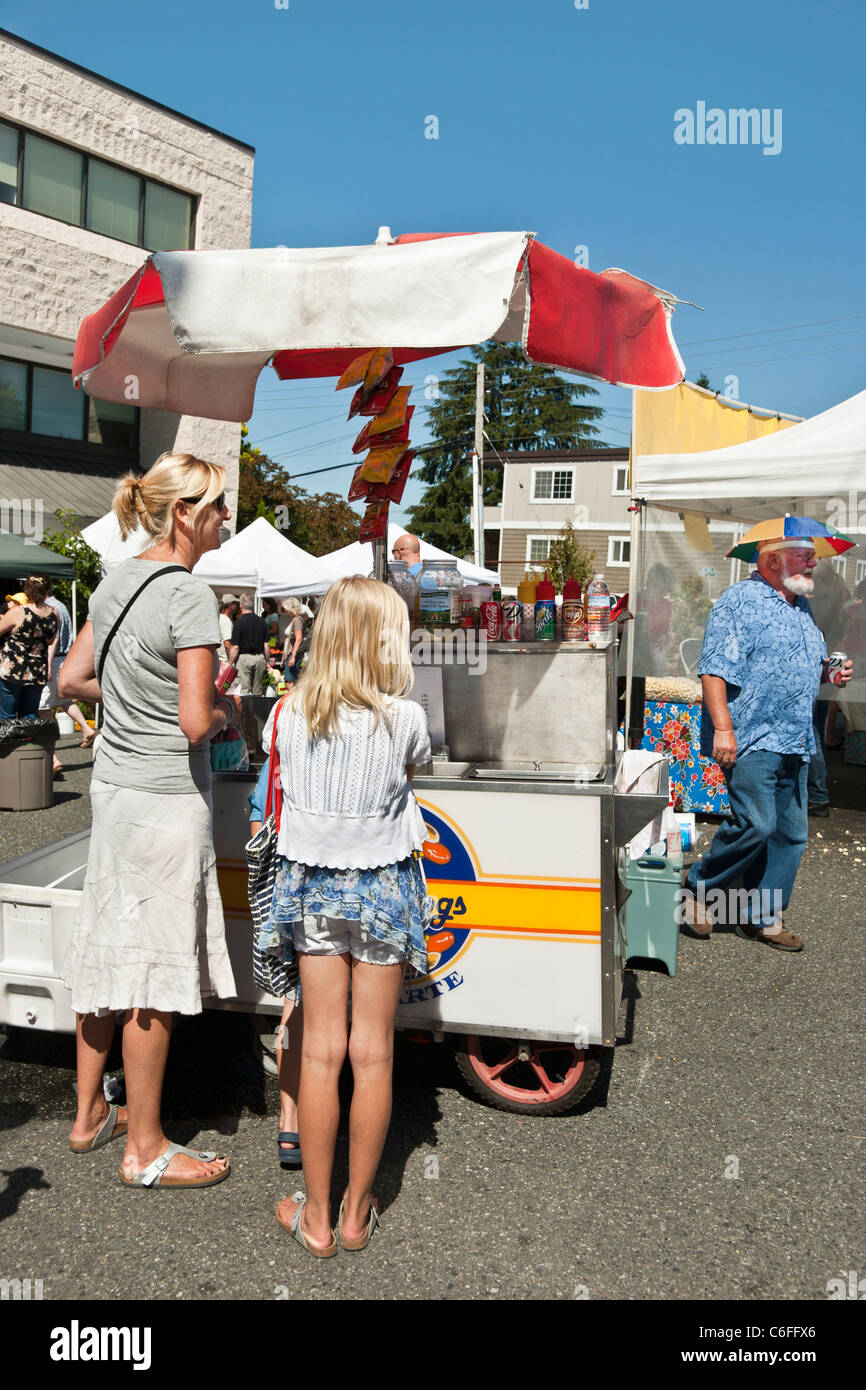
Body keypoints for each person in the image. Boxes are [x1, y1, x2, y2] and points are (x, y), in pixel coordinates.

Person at [59, 451, 239, 1190]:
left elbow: (69, 679)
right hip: (166, 799)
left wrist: (133, 701)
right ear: (186, 514)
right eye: (221, 506)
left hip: (114, 791)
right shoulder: (190, 594)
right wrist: (230, 709)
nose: (228, 517)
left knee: (109, 944)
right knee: (154, 972)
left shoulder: (114, 580)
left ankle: (85, 1117)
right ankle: (146, 1148)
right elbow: (198, 723)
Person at [260, 576, 431, 1255]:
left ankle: (318, 1217)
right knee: (374, 1052)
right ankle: (360, 1213)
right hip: (385, 888)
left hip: (313, 891)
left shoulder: (285, 714)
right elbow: (411, 777)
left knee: (322, 1051)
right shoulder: (406, 719)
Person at [681, 537, 853, 951]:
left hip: (795, 737)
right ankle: (700, 888)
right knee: (757, 824)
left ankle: (762, 917)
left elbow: (802, 662)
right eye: (803, 554)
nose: (813, 562)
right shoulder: (737, 601)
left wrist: (830, 673)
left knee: (790, 833)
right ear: (773, 559)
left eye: (812, 555)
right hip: (752, 735)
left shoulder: (800, 605)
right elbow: (714, 671)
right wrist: (723, 728)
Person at [248, 752, 303, 1167]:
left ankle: (291, 1119)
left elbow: (261, 806)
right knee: (368, 1035)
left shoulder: (291, 713)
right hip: (357, 878)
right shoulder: (388, 714)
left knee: (296, 999)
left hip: (294, 869)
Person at [38, 582, 96, 777]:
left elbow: (51, 639)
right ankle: (87, 728)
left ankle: (51, 756)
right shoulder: (62, 606)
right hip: (64, 657)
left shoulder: (49, 609)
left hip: (52, 659)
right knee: (63, 699)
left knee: (43, 707)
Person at [805, 561, 848, 815]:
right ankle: (818, 794)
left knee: (813, 735)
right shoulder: (839, 601)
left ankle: (818, 795)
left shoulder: (815, 606)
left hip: (820, 668)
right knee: (817, 731)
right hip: (833, 666)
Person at [0, 576, 59, 720]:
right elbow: (51, 641)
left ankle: (8, 743)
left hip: (13, 670)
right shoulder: (54, 613)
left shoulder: (19, 612)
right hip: (37, 671)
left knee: (7, 716)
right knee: (31, 715)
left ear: (27, 590)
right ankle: (29, 742)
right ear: (46, 591)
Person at [227, 593, 269, 695]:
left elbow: (235, 647)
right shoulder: (262, 622)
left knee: (244, 691)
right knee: (258, 691)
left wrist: (230, 663)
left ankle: (245, 710)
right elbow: (266, 645)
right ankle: (256, 710)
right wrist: (267, 661)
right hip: (259, 658)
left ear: (241, 605)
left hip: (244, 659)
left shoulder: (239, 623)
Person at [281, 598, 306, 683]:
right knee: (292, 680)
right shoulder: (297, 619)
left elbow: (298, 638)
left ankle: (295, 696)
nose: (285, 611)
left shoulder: (297, 620)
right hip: (294, 653)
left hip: (294, 653)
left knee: (289, 680)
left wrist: (293, 656)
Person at [218, 594, 240, 662]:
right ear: (230, 605)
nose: (237, 607)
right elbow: (227, 644)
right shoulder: (226, 620)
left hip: (218, 659)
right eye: (236, 604)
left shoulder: (218, 617)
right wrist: (231, 661)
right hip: (224, 660)